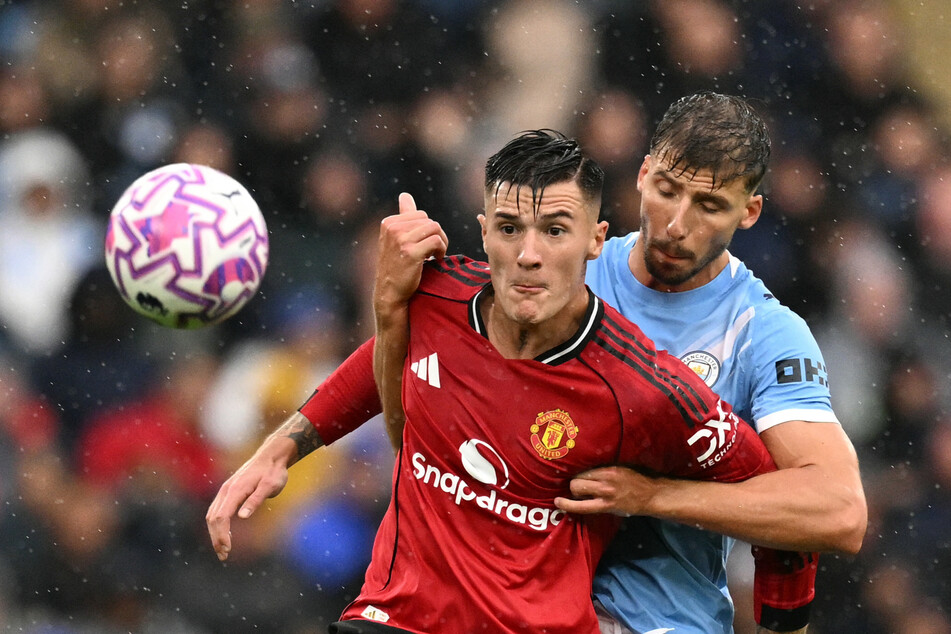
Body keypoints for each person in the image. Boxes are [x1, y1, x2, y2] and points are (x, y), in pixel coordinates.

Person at [208, 130, 816, 633]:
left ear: (594, 242)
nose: (528, 254)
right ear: (482, 232)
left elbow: (776, 501)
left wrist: (785, 619)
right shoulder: (436, 299)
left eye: (554, 230)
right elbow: (382, 370)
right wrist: (284, 447)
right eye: (508, 228)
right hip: (391, 620)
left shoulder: (645, 387)